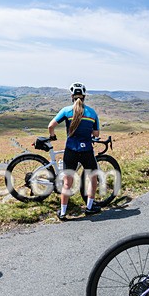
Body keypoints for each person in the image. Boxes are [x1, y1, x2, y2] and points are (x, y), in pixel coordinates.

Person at [47, 82, 102, 220]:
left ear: (72, 96)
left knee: (67, 183)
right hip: (87, 151)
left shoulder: (66, 111)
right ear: (84, 96)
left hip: (71, 150)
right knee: (93, 179)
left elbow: (50, 126)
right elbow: (96, 134)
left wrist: (52, 136)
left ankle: (63, 213)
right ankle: (89, 207)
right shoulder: (92, 113)